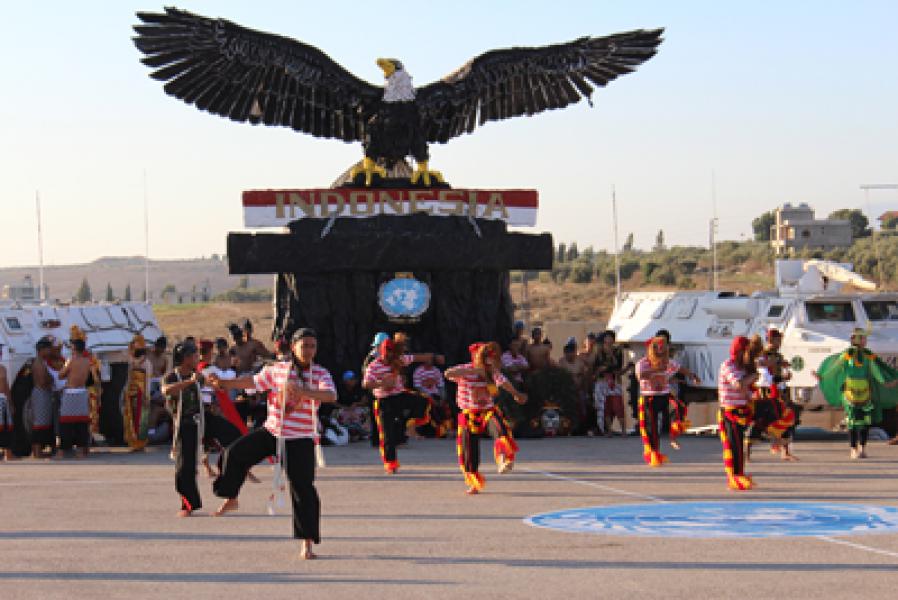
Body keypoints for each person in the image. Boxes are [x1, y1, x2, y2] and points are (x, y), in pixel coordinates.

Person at [210, 328, 336, 560]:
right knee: (234, 454)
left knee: (303, 490)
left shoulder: (320, 373)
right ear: (294, 347)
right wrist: (226, 384)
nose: (308, 350)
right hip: (272, 431)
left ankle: (307, 543)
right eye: (304, 346)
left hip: (300, 438)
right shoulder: (278, 369)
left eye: (312, 346)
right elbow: (253, 381)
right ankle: (231, 496)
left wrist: (305, 391)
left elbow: (330, 395)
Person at [445, 342, 527, 494]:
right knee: (469, 451)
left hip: (487, 412)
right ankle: (474, 482)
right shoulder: (466, 369)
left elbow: (503, 382)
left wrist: (516, 394)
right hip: (468, 414)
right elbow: (448, 374)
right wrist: (475, 370)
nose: (488, 360)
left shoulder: (492, 371)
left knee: (500, 429)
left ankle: (503, 459)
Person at [363, 336, 443, 473]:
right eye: (386, 354)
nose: (389, 357)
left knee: (423, 401)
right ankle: (391, 463)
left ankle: (411, 424)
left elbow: (417, 357)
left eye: (391, 354)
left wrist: (435, 357)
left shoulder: (398, 360)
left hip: (400, 396)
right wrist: (381, 383)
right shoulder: (374, 366)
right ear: (382, 353)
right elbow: (366, 384)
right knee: (387, 435)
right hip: (384, 401)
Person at [816, 328, 898, 459]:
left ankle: (862, 448)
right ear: (856, 339)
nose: (865, 341)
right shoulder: (847, 355)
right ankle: (853, 448)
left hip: (865, 392)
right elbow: (835, 368)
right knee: (852, 421)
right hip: (850, 392)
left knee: (866, 421)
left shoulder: (868, 355)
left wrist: (884, 382)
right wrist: (822, 376)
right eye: (863, 338)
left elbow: (875, 370)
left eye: (865, 338)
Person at [635, 336, 700, 467]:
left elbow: (680, 368)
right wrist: (657, 370)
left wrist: (692, 375)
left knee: (679, 408)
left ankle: (673, 436)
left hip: (664, 395)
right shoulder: (642, 363)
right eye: (656, 348)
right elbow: (640, 375)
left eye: (662, 348)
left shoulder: (668, 362)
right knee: (651, 427)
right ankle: (654, 452)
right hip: (650, 397)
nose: (660, 350)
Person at [160, 342, 206, 516]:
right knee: (184, 468)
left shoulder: (198, 376)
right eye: (194, 356)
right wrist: (189, 382)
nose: (197, 358)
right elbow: (166, 391)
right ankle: (188, 504)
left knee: (231, 437)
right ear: (185, 358)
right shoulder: (172, 376)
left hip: (201, 421)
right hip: (183, 425)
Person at [718, 336, 761, 490]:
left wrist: (752, 395)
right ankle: (735, 477)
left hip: (742, 410)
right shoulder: (728, 365)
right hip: (730, 411)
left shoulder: (744, 368)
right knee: (734, 445)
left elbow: (745, 390)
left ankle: (739, 475)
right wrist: (753, 376)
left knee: (738, 445)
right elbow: (738, 384)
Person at [748, 329, 798, 461]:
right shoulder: (762, 355)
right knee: (760, 422)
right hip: (765, 393)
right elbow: (764, 376)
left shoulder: (778, 356)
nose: (780, 343)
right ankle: (746, 453)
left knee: (786, 419)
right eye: (778, 340)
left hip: (778, 391)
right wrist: (780, 374)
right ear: (771, 340)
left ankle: (785, 451)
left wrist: (784, 377)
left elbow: (776, 374)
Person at [57, 332, 95, 458]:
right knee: (81, 423)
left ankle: (62, 451)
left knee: (66, 423)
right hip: (82, 393)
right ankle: (80, 451)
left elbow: (61, 375)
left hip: (70, 393)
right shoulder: (87, 362)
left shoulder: (71, 360)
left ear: (73, 349)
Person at [122, 334, 153, 451]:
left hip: (141, 393)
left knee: (141, 418)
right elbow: (128, 377)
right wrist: (126, 390)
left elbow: (148, 380)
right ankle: (133, 442)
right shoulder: (132, 361)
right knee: (131, 417)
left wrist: (147, 396)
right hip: (131, 392)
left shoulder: (147, 363)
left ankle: (140, 443)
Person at [28, 336, 57, 459]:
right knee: (39, 423)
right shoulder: (39, 363)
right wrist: (52, 379)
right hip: (41, 394)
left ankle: (39, 450)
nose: (50, 351)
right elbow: (42, 381)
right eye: (48, 349)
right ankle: (36, 451)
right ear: (42, 350)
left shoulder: (42, 362)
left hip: (44, 394)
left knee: (44, 422)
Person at [362, 332, 390, 447]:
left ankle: (388, 439)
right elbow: (366, 377)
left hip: (386, 391)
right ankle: (376, 440)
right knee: (377, 416)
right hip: (374, 392)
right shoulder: (371, 359)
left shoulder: (387, 357)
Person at [412, 355, 449, 437]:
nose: (429, 362)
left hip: (435, 394)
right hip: (424, 395)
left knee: (442, 410)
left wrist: (442, 398)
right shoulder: (418, 371)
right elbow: (418, 387)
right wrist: (429, 397)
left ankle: (441, 430)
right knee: (430, 409)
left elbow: (441, 385)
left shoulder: (436, 371)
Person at [595, 371, 626, 436]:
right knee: (608, 414)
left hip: (616, 395)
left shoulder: (615, 375)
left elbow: (618, 376)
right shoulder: (601, 379)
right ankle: (610, 431)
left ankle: (623, 431)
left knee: (619, 413)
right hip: (608, 396)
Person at [0, 345, 13, 461]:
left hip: (3, 401)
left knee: (5, 428)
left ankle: (7, 453)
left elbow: (6, 386)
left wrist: (10, 402)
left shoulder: (3, 368)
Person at [148, 336, 169, 400]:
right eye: (160, 348)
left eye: (163, 348)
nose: (162, 350)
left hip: (158, 381)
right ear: (156, 346)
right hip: (148, 381)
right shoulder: (148, 355)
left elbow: (163, 372)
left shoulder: (165, 358)